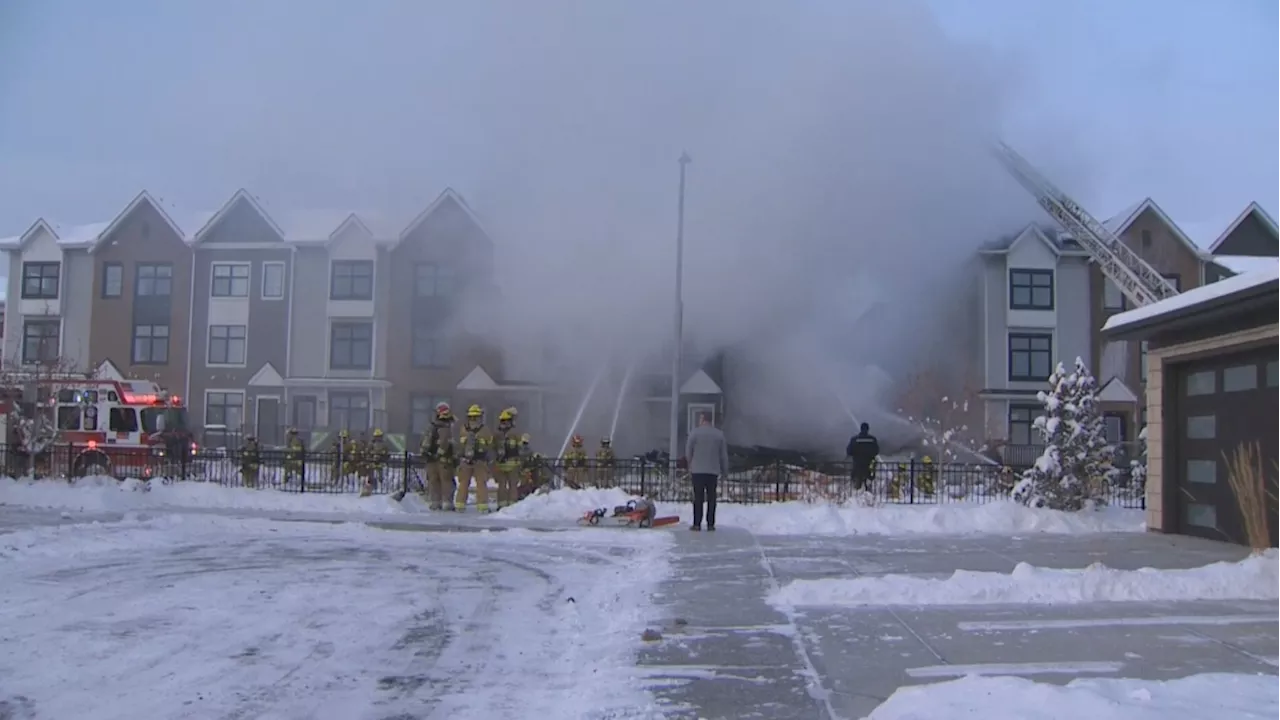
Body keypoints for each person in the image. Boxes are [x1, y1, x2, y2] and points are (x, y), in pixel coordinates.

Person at [685, 413, 728, 532]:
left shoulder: (694, 433)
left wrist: (690, 464)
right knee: (711, 498)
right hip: (713, 471)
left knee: (698, 497)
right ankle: (710, 524)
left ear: (703, 419)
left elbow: (688, 451)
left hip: (698, 471)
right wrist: (725, 471)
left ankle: (697, 524)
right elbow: (723, 455)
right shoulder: (719, 435)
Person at [846, 422, 880, 490]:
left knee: (857, 483)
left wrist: (856, 454)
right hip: (869, 465)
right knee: (869, 481)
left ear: (860, 428)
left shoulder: (855, 439)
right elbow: (876, 451)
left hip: (857, 465)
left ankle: (857, 494)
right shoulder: (872, 439)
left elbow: (849, 451)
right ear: (868, 429)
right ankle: (869, 494)